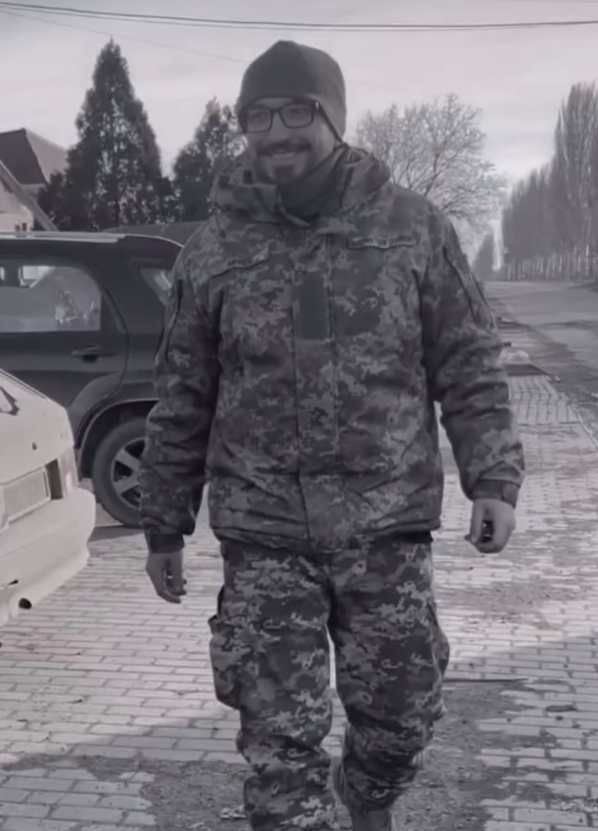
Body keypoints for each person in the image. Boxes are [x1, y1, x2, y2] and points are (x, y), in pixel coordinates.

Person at [139, 40, 525, 831]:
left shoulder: (412, 228)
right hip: (263, 533)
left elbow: (467, 359)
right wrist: (163, 524)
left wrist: (493, 478)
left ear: (334, 119)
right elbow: (181, 393)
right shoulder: (213, 250)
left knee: (403, 715)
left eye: (295, 112)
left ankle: (369, 792)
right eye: (257, 117)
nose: (276, 133)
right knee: (279, 742)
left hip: (386, 525)